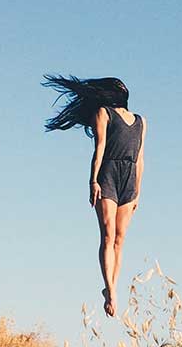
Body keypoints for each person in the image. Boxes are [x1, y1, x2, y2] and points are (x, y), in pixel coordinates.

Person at [43, 74, 146, 318]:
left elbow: (140, 158)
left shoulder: (141, 121)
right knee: (108, 234)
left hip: (129, 177)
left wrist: (138, 192)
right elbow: (98, 149)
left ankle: (112, 285)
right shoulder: (103, 113)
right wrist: (93, 181)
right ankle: (111, 291)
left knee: (120, 239)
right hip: (108, 173)